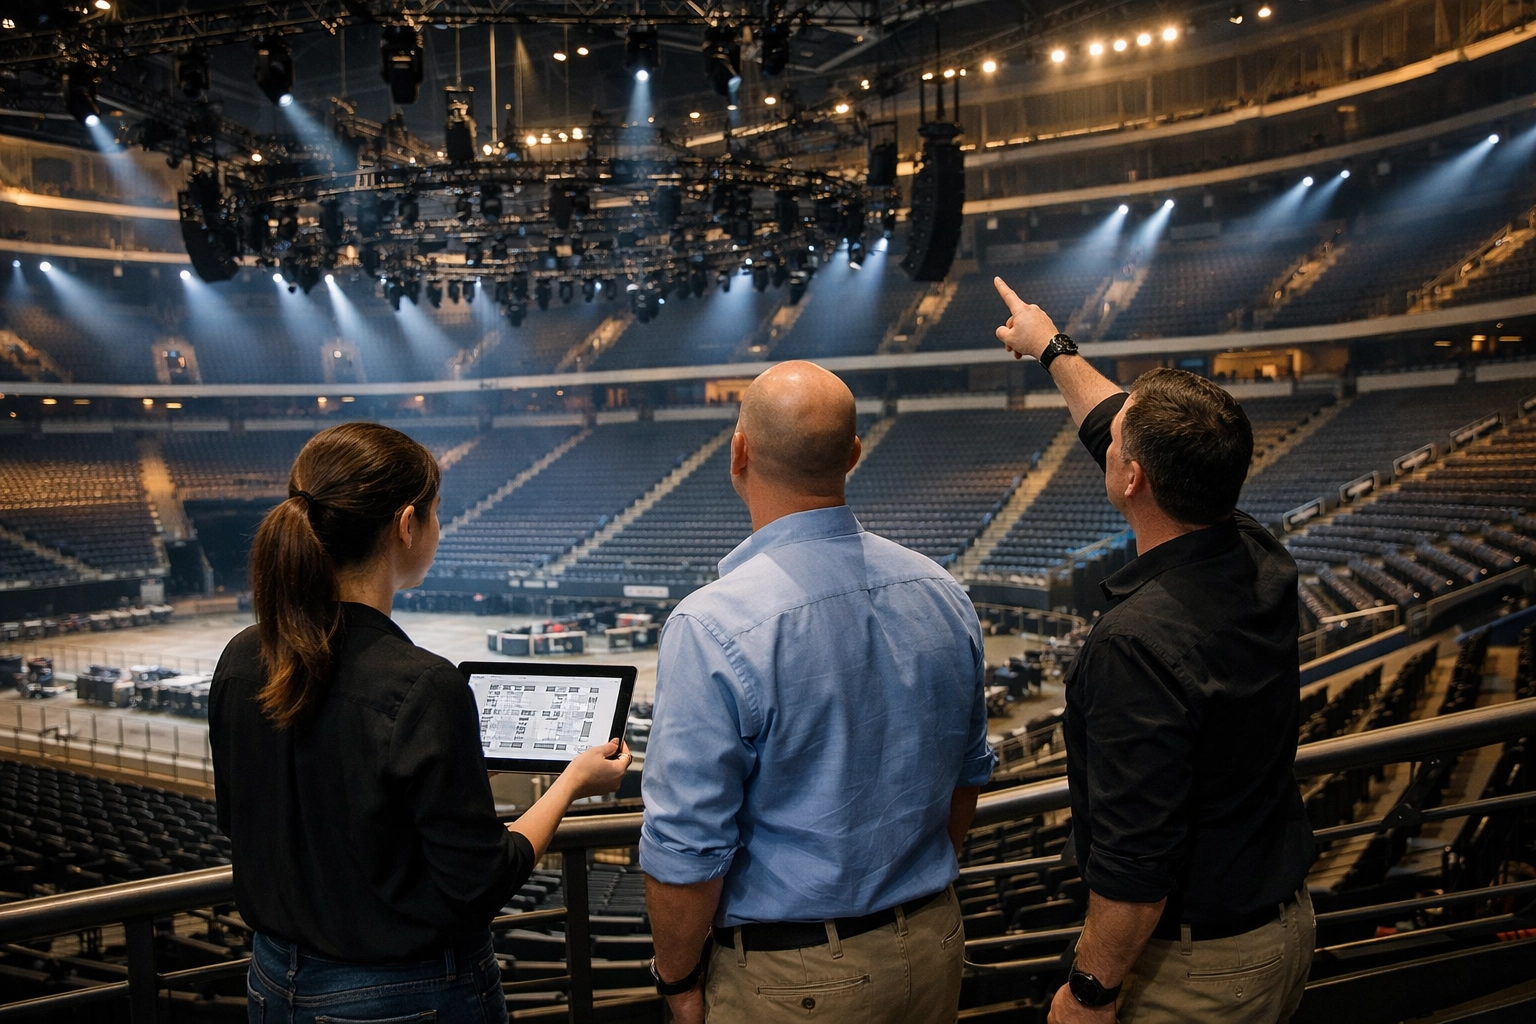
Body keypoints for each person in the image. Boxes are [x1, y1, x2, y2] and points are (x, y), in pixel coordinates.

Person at [209, 422, 631, 1024]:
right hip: (401, 998)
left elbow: (242, 817)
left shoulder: (240, 657)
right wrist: (570, 781)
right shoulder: (422, 684)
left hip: (273, 983)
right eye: (435, 514)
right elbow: (479, 882)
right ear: (408, 525)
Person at [990, 280, 1316, 1024]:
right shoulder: (1260, 554)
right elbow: (1114, 420)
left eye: (1119, 442)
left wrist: (1091, 992)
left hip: (1198, 971)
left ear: (1131, 475)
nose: (1106, 437)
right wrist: (1051, 347)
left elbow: (1137, 863)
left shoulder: (1134, 645)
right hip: (1279, 923)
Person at [641, 361, 996, 1024]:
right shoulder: (943, 593)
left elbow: (686, 848)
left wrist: (677, 980)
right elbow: (966, 778)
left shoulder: (712, 625)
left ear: (737, 452)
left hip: (794, 980)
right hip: (934, 943)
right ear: (854, 455)